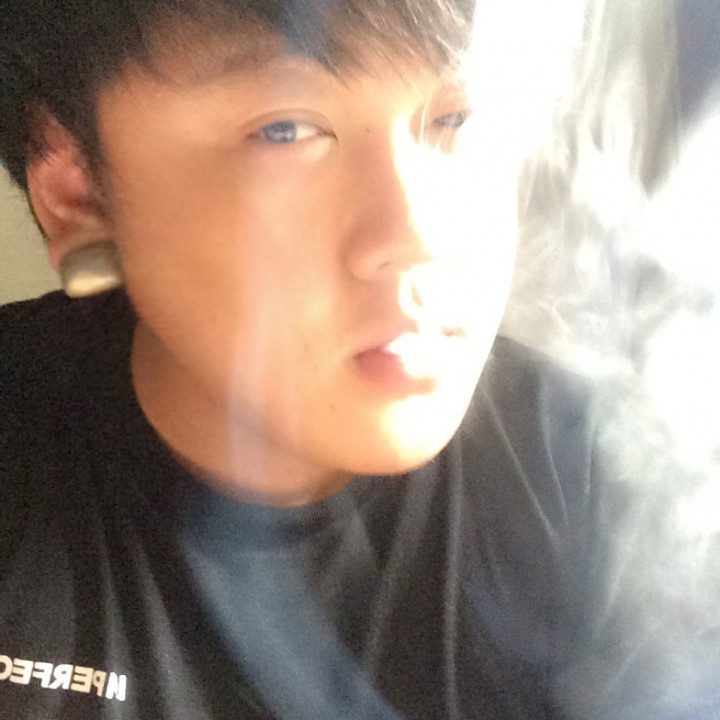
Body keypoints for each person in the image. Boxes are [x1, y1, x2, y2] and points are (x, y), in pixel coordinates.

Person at [0, 1, 599, 718]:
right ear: (78, 188)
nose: (417, 236)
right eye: (284, 129)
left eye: (459, 120)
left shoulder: (601, 483)